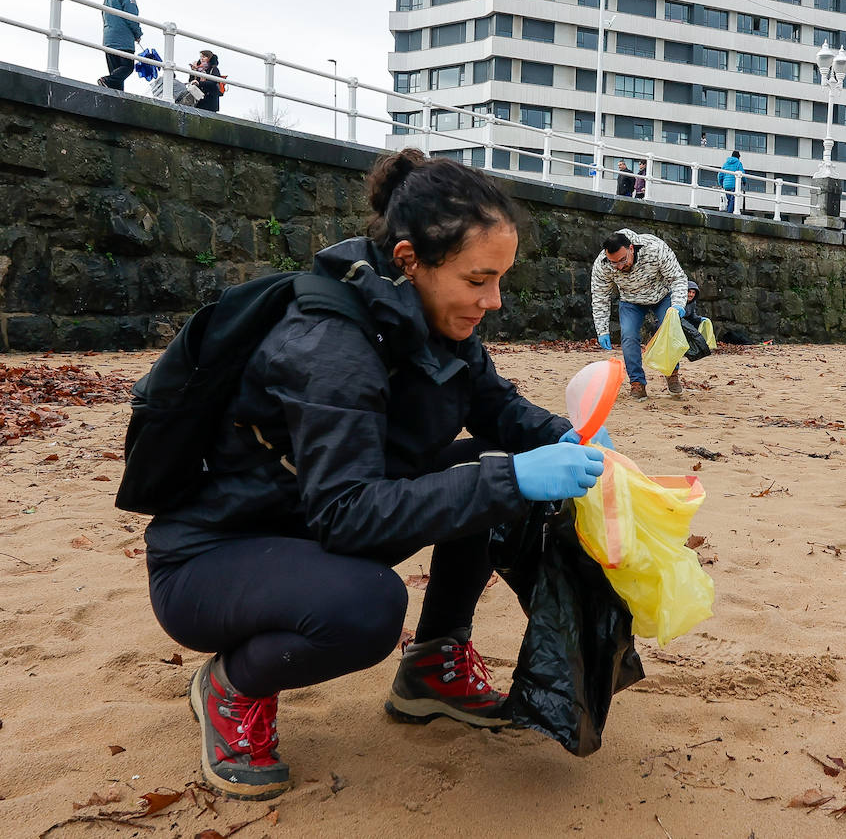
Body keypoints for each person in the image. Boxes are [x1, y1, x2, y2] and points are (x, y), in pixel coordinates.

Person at [143, 148, 610, 800]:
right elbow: (349, 514)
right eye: (479, 279)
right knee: (369, 607)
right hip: (213, 557)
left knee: (494, 467)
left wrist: (572, 440)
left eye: (499, 278)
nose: (494, 300)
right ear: (410, 261)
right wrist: (517, 480)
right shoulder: (331, 346)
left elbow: (493, 403)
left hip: (305, 525)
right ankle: (231, 685)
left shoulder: (433, 321)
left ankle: (434, 668)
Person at [591, 230, 690, 401]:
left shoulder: (655, 248)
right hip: (630, 300)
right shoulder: (603, 264)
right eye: (614, 263)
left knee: (667, 331)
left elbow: (678, 278)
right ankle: (637, 384)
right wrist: (602, 331)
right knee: (628, 336)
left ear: (631, 248)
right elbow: (600, 297)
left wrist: (678, 305)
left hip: (662, 295)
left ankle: (672, 374)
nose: (620, 266)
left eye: (623, 260)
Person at [98, 0, 142, 91]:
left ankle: (115, 99)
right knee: (127, 67)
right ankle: (106, 80)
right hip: (123, 39)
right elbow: (131, 18)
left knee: (116, 74)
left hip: (109, 39)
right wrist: (138, 34)